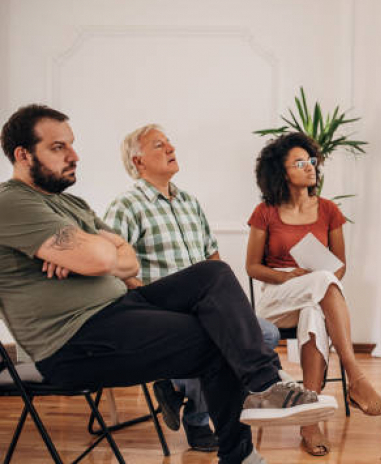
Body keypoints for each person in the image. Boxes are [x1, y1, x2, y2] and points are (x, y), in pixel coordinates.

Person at [0, 105, 337, 464]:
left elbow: (126, 257)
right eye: (58, 147)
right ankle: (242, 452)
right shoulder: (11, 203)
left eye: (72, 144)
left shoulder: (70, 203)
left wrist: (92, 250)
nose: (74, 155)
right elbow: (103, 259)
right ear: (23, 154)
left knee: (215, 274)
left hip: (120, 309)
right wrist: (98, 250)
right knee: (218, 335)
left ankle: (265, 387)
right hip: (73, 340)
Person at [104, 124, 281, 452]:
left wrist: (232, 306)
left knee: (267, 334)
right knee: (213, 341)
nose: (171, 148)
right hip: (161, 310)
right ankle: (198, 418)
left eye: (170, 142)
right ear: (138, 161)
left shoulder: (188, 201)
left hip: (204, 304)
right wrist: (142, 300)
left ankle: (178, 389)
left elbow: (212, 257)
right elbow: (111, 263)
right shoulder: (126, 205)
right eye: (160, 145)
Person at [245, 132, 381, 457]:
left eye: (311, 160)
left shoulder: (328, 210)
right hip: (277, 296)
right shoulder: (266, 211)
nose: (310, 167)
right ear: (282, 172)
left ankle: (309, 423)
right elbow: (252, 267)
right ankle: (355, 376)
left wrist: (317, 280)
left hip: (315, 294)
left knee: (315, 309)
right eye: (300, 162)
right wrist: (291, 275)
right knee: (320, 284)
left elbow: (338, 268)